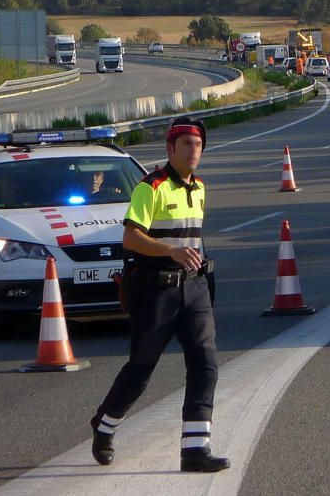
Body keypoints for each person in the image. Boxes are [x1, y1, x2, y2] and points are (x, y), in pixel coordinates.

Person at [90, 117, 229, 473]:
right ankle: (104, 425)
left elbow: (193, 240)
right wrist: (170, 250)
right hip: (156, 291)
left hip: (194, 287)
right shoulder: (150, 187)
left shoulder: (199, 187)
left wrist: (201, 274)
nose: (193, 150)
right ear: (170, 148)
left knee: (205, 363)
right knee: (140, 370)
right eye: (186, 144)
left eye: (197, 145)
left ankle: (195, 449)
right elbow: (131, 238)